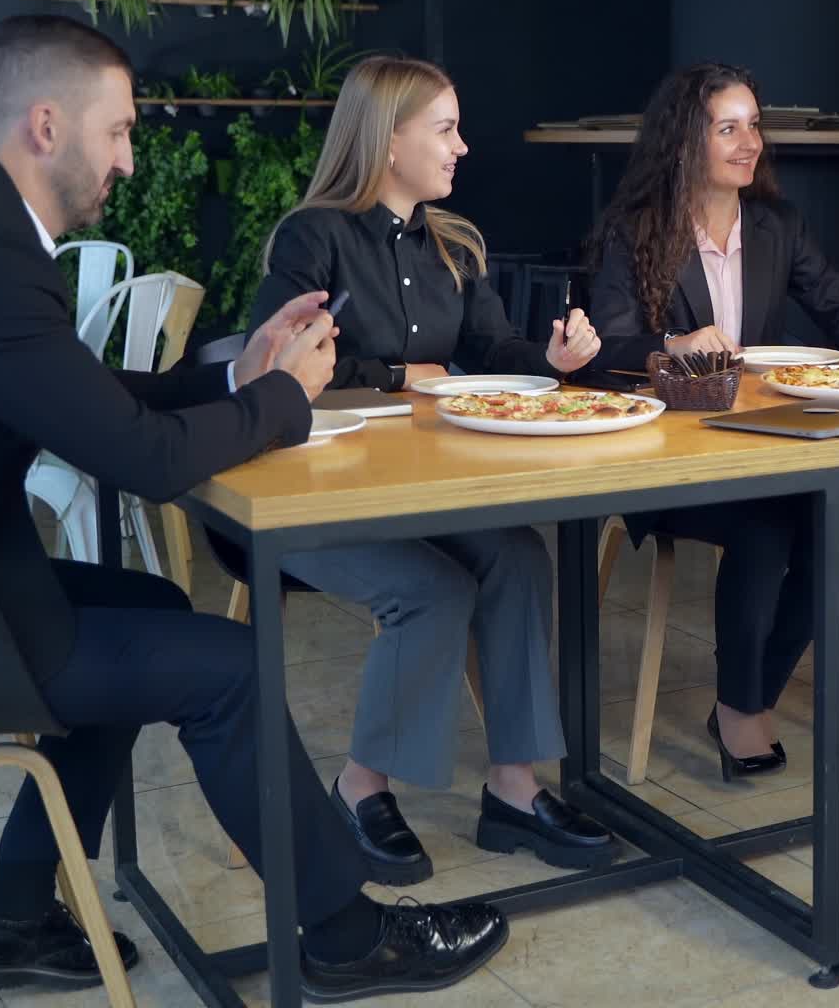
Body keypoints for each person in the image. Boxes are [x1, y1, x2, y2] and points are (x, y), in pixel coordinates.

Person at [0, 15, 507, 998]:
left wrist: (239, 365)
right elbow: (141, 459)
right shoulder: (0, 262)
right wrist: (284, 399)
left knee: (154, 613)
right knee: (226, 665)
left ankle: (10, 910)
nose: (130, 161)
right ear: (46, 125)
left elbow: (95, 403)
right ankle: (348, 936)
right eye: (121, 131)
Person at [240, 55, 616, 882]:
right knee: (436, 588)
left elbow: (490, 356)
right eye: (445, 129)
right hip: (311, 495)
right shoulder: (314, 237)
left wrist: (551, 359)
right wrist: (400, 377)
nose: (463, 147)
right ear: (388, 138)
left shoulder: (454, 245)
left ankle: (514, 790)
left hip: (424, 489)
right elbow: (274, 365)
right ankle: (360, 785)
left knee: (519, 553)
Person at [588, 62, 839, 778]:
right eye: (727, 128)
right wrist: (672, 345)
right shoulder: (634, 231)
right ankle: (740, 710)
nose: (749, 142)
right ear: (682, 142)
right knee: (768, 522)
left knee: (834, 526)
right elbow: (603, 349)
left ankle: (748, 694)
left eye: (754, 125)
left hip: (757, 442)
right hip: (668, 455)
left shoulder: (777, 225)